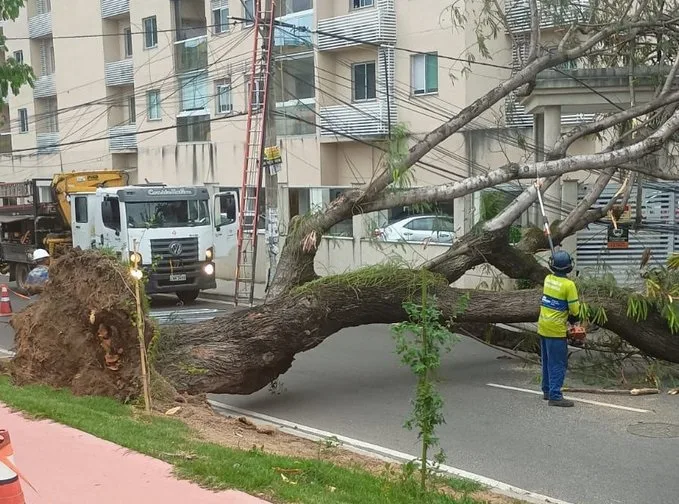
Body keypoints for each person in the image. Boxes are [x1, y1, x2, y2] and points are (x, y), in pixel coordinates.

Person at [537, 250, 581, 407]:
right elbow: (574, 309)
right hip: (556, 330)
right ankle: (555, 396)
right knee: (558, 363)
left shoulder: (548, 279)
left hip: (543, 325)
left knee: (548, 361)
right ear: (569, 267)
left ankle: (547, 390)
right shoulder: (569, 285)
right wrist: (575, 320)